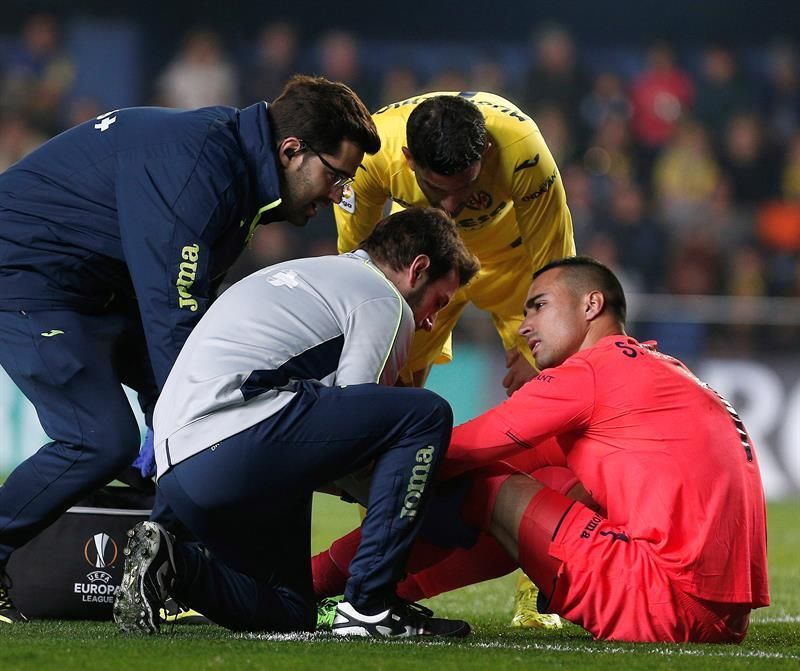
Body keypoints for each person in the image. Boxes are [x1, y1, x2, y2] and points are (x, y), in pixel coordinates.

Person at [0, 75, 380, 623]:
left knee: (193, 419)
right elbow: (174, 324)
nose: (336, 196)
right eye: (335, 176)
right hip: (27, 278)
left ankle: (173, 565)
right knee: (101, 440)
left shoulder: (236, 170)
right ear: (291, 151)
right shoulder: (203, 171)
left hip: (93, 289)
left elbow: (195, 321)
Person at [314, 256, 770, 643]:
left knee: (477, 484)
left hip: (658, 597)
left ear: (592, 305)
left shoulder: (592, 371)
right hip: (720, 618)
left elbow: (457, 452)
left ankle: (329, 588)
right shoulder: (658, 369)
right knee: (547, 485)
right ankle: (367, 596)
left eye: (539, 307)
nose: (525, 326)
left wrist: (343, 463)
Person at [112, 207, 480, 637]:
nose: (432, 321)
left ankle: (173, 563)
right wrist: (435, 504)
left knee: (290, 611)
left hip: (180, 476)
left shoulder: (312, 275)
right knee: (425, 414)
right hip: (237, 442)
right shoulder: (383, 299)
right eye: (439, 302)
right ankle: (370, 606)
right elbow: (361, 431)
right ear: (417, 269)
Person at [334, 90, 574, 627]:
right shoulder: (372, 153)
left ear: (485, 153)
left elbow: (557, 268)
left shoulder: (523, 151)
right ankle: (377, 576)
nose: (450, 207)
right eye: (434, 191)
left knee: (557, 388)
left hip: (514, 262)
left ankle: (540, 590)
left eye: (464, 190)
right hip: (425, 262)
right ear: (409, 163)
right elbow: (358, 266)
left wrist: (539, 348)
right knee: (380, 403)